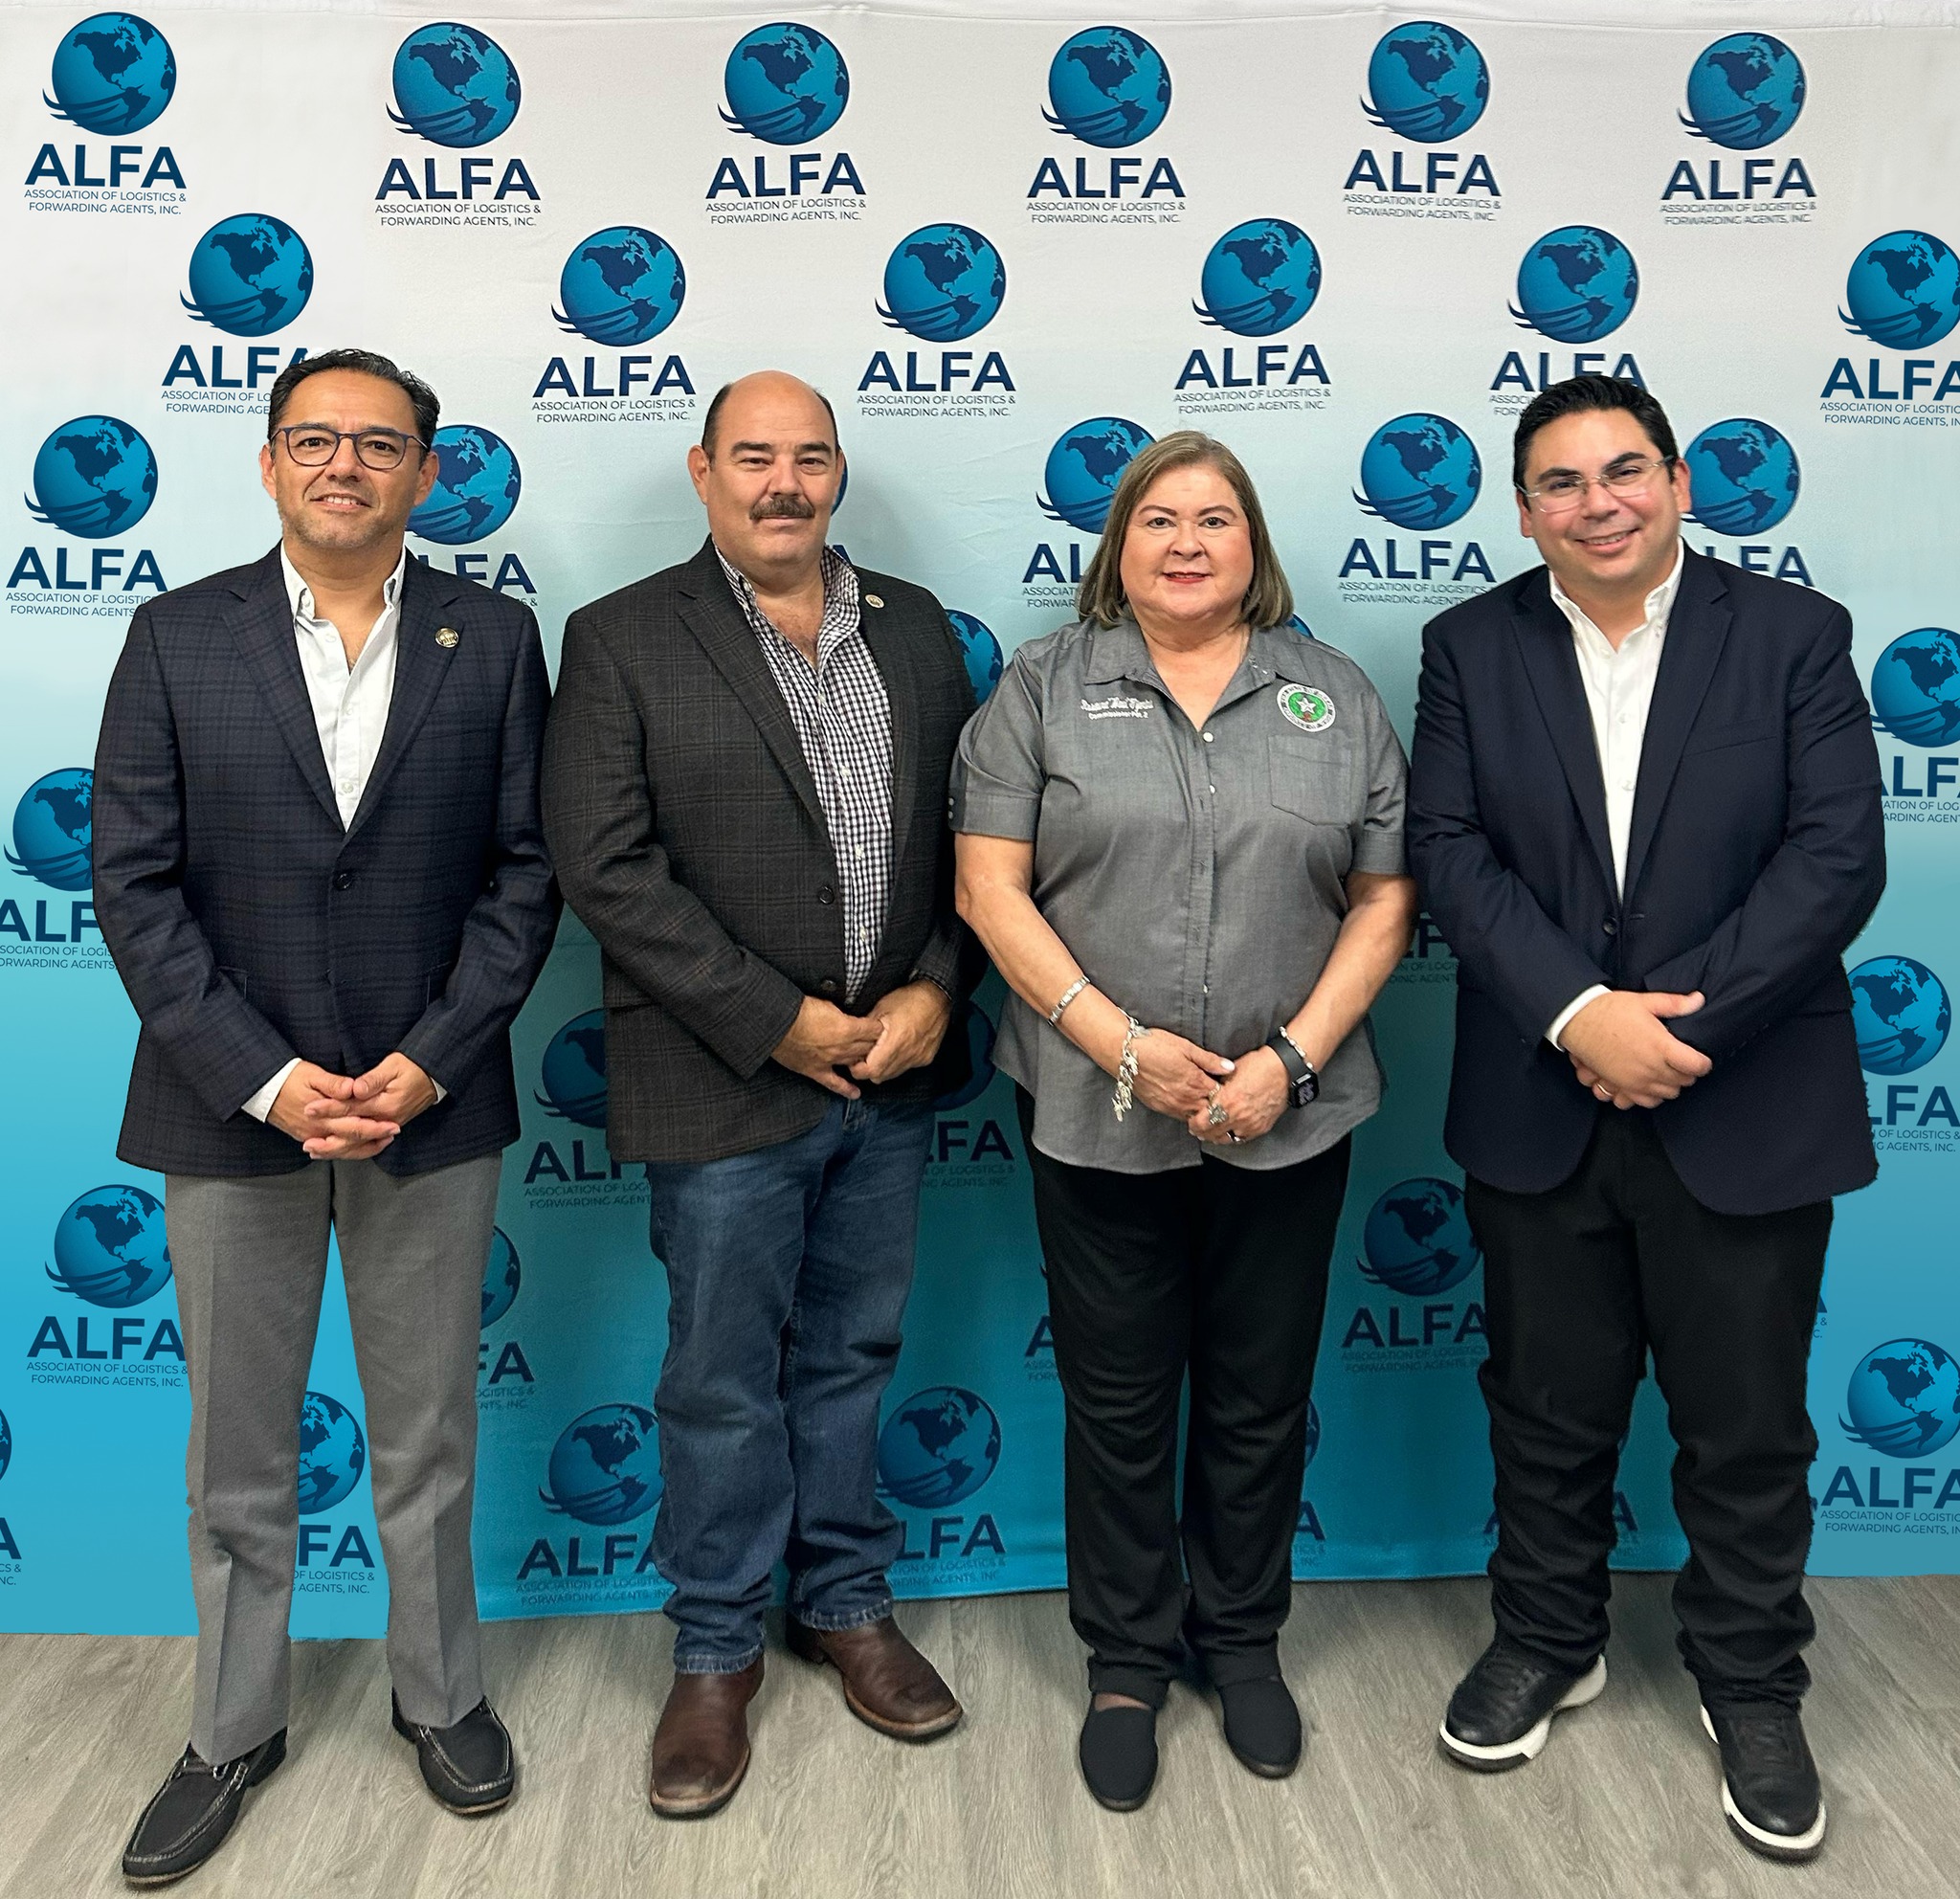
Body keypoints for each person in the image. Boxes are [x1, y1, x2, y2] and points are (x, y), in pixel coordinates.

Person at [94, 348, 559, 1885]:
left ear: (425, 469)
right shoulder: (176, 635)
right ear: (269, 463)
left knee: (427, 1434)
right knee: (238, 1450)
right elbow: (132, 885)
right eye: (312, 439)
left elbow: (526, 874)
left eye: (376, 442)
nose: (342, 464)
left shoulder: (494, 638)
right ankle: (234, 1729)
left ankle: (443, 1697)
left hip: (431, 1104)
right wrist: (269, 1076)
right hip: (230, 1112)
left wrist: (429, 1059)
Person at [1409, 374, 1883, 1863]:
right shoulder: (1468, 647)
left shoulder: (1795, 636)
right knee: (1544, 1409)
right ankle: (1549, 1639)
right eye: (1560, 482)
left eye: (1624, 471)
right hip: (1539, 1095)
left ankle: (1751, 1683)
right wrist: (1578, 1015)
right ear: (1523, 509)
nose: (1596, 503)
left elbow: (1835, 857)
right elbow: (1449, 851)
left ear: (1679, 484)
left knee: (1746, 1424)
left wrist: (1674, 1033)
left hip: (1745, 1098)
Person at [952, 431, 1415, 1811]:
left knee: (1262, 1396)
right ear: (1119, 546)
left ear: (1253, 544)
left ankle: (1243, 1640)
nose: (1188, 542)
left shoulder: (1337, 696)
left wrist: (1290, 1062)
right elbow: (988, 890)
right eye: (1159, 519)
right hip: (1098, 1115)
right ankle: (1127, 1662)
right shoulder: (1041, 686)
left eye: (1217, 519)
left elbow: (1385, 900)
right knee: (1117, 1400)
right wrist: (1124, 1049)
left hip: (1292, 1116)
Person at [542, 370, 978, 1821]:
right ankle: (718, 1645)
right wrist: (779, 1022)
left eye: (810, 457)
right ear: (702, 470)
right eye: (753, 457)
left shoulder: (915, 629)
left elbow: (975, 842)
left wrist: (933, 990)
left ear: (837, 473)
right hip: (724, 1079)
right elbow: (606, 868)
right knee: (722, 1376)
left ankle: (843, 1602)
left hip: (892, 1074)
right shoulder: (619, 638)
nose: (784, 483)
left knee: (852, 1352)